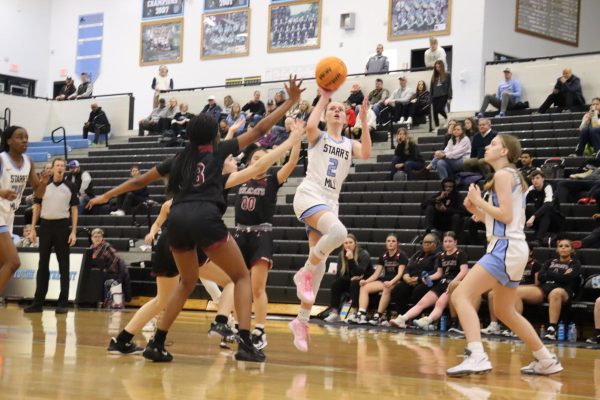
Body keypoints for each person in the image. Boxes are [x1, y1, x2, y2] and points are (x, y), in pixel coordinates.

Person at [88, 76, 304, 363]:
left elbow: (139, 180)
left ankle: (158, 342)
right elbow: (262, 128)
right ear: (215, 135)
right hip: (204, 217)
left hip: (176, 220)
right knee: (240, 277)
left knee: (186, 282)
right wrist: (290, 102)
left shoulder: (178, 159)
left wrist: (106, 195)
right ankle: (245, 343)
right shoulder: (220, 151)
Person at [109, 131, 303, 354]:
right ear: (220, 165)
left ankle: (122, 339)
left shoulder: (193, 181)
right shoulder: (218, 181)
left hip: (169, 240)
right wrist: (290, 141)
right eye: (230, 159)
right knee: (234, 279)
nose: (233, 161)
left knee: (162, 299)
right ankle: (221, 321)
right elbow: (257, 168)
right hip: (192, 241)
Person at [447, 134, 563, 377]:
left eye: (494, 144)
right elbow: (498, 218)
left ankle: (476, 355)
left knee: (460, 295)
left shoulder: (502, 175)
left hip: (505, 247)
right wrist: (475, 209)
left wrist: (479, 200)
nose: (488, 146)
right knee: (504, 310)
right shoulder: (510, 176)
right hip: (514, 247)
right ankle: (545, 359)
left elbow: (506, 216)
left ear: (504, 152)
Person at [289, 87, 372, 352]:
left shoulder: (349, 144)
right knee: (339, 234)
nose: (337, 110)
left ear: (346, 118)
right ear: (326, 116)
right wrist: (324, 96)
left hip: (331, 201)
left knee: (321, 263)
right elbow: (310, 124)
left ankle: (301, 321)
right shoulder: (318, 135)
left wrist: (363, 120)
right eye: (332, 109)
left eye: (340, 109)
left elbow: (368, 153)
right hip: (309, 193)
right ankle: (303, 272)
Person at [232, 131, 302, 350]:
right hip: (239, 235)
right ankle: (236, 325)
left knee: (257, 288)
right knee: (237, 285)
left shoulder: (272, 180)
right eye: (255, 158)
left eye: (263, 158)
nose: (259, 161)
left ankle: (260, 329)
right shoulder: (241, 178)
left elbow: (291, 162)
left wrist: (297, 140)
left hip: (261, 235)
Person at [24, 158, 79, 314]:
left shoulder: (71, 186)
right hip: (45, 226)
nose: (60, 168)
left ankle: (63, 303)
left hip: (62, 226)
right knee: (43, 266)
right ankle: (38, 302)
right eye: (57, 165)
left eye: (62, 166)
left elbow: (74, 209)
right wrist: (33, 228)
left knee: (64, 266)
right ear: (53, 168)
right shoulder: (44, 185)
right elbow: (36, 207)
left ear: (65, 169)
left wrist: (74, 231)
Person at [0, 126, 44, 295]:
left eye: (26, 137)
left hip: (8, 215)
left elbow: (38, 193)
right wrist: (2, 192)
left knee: (4, 263)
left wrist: (44, 182)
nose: (25, 140)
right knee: (13, 262)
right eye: (19, 137)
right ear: (9, 140)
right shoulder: (2, 159)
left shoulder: (28, 162)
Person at [393, 231, 468, 329]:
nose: (447, 244)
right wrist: (427, 277)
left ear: (455, 242)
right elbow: (439, 273)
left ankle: (427, 321)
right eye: (445, 241)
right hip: (442, 282)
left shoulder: (460, 254)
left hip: (454, 283)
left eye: (450, 241)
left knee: (439, 303)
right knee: (422, 302)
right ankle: (402, 319)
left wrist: (453, 282)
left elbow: (463, 271)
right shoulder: (441, 255)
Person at [482, 242, 542, 336]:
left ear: (530, 252)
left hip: (529, 289)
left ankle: (515, 328)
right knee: (492, 293)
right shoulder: (512, 264)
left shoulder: (535, 264)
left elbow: (537, 283)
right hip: (513, 288)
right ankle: (494, 325)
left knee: (515, 292)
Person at [355, 233, 408, 325]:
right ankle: (361, 314)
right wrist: (365, 281)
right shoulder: (383, 256)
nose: (390, 243)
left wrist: (391, 282)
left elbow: (400, 274)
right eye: (388, 241)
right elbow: (376, 274)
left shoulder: (401, 255)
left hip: (397, 281)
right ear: (385, 243)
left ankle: (378, 316)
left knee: (386, 288)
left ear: (397, 243)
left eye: (393, 241)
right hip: (385, 279)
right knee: (364, 287)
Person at [538, 239, 582, 341]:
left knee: (555, 293)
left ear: (571, 250)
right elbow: (540, 277)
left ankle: (552, 329)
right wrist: (560, 275)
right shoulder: (550, 262)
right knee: (518, 291)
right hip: (545, 289)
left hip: (565, 291)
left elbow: (567, 279)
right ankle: (511, 328)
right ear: (557, 249)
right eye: (561, 246)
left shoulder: (575, 263)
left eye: (567, 246)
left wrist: (549, 274)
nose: (563, 248)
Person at [388, 233, 441, 317]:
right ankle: (401, 315)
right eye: (424, 242)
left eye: (429, 242)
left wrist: (418, 279)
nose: (425, 244)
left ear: (436, 244)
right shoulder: (418, 253)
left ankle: (414, 317)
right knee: (398, 289)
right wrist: (406, 275)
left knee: (418, 291)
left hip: (426, 281)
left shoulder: (438, 255)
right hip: (411, 280)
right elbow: (409, 266)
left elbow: (435, 271)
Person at [323, 234, 371, 323]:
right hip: (350, 279)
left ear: (355, 243)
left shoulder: (364, 254)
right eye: (346, 243)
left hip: (365, 281)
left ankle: (355, 313)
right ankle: (335, 313)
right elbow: (340, 274)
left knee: (355, 283)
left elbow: (359, 273)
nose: (348, 245)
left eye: (350, 242)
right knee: (336, 284)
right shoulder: (341, 254)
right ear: (343, 244)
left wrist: (351, 259)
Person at [525, 170, 564, 247]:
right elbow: (522, 202)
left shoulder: (548, 187)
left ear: (543, 178)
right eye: (533, 179)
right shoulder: (531, 188)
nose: (535, 180)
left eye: (537, 178)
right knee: (523, 209)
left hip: (556, 220)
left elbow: (548, 204)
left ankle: (539, 239)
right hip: (542, 220)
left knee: (547, 210)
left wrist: (533, 216)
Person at [430, 60, 452, 128]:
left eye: (439, 67)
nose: (437, 68)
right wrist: (430, 98)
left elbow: (449, 86)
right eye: (436, 67)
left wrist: (450, 96)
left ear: (442, 67)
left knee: (439, 109)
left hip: (443, 95)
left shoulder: (447, 74)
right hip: (435, 96)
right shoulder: (434, 76)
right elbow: (431, 88)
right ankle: (437, 126)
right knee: (435, 112)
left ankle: (447, 118)